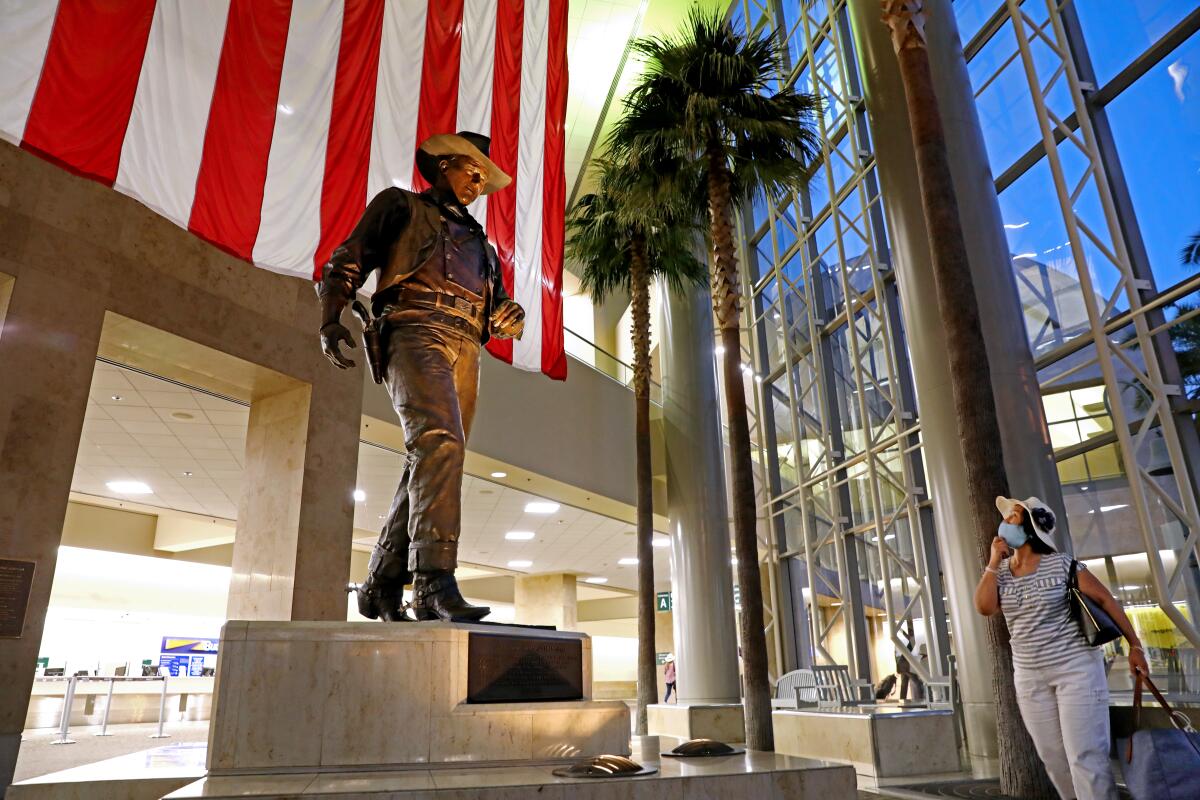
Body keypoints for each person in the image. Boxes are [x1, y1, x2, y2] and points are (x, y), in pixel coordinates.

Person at [317, 131, 525, 623]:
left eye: (484, 176)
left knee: (433, 458)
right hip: (413, 329)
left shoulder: (483, 245)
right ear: (441, 166)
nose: (478, 181)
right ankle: (433, 580)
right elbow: (349, 258)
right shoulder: (401, 206)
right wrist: (331, 315)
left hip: (466, 348)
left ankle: (381, 583)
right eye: (470, 169)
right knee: (441, 443)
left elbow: (495, 311)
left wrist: (505, 315)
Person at [974, 495, 1149, 800]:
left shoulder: (1062, 564)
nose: (1005, 522)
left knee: (1085, 756)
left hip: (1076, 670)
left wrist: (1135, 646)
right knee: (1053, 758)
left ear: (1029, 528)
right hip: (1029, 676)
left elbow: (1107, 600)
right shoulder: (1000, 573)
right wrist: (992, 561)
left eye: (1013, 517)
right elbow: (985, 607)